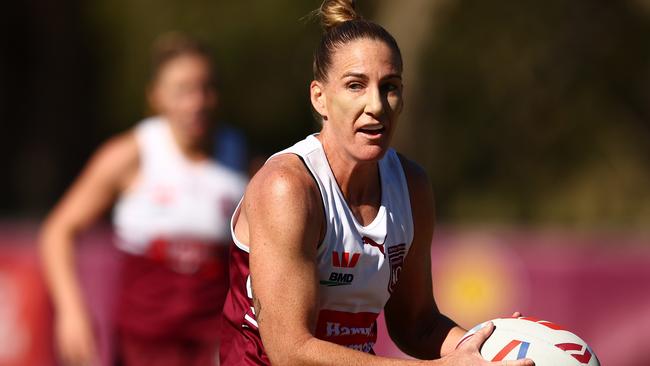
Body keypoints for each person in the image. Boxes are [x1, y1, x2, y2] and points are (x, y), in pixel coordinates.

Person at [219, 1, 534, 365]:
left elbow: (417, 325)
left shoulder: (412, 186)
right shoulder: (288, 187)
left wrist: (495, 348)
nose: (376, 105)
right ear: (319, 97)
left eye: (390, 87)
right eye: (355, 85)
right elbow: (291, 353)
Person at [40, 33, 247, 366]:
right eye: (182, 90)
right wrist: (71, 310)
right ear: (156, 97)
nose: (196, 102)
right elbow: (57, 230)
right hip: (143, 343)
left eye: (205, 88)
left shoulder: (240, 156)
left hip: (212, 344)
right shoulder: (131, 153)